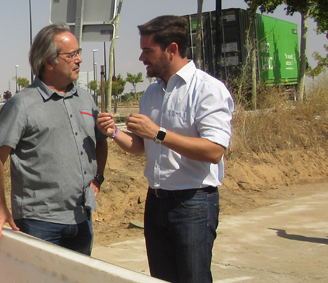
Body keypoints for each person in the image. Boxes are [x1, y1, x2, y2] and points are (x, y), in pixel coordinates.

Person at [96, 15, 234, 283]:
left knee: (193, 278)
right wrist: (113, 133)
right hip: (156, 202)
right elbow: (140, 147)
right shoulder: (152, 94)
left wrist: (158, 133)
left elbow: (214, 150)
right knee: (161, 279)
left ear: (172, 49)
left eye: (148, 50)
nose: (141, 58)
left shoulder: (208, 90)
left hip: (193, 203)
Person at [0, 23, 108, 255]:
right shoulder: (21, 105)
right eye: (71, 55)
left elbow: (100, 141)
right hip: (39, 223)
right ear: (49, 62)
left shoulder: (85, 99)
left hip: (82, 218)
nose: (79, 60)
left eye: (78, 53)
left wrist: (98, 178)